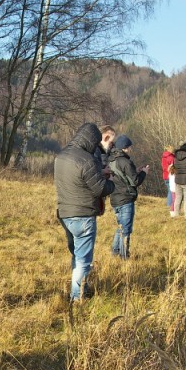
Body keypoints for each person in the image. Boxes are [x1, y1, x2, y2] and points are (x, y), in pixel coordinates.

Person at [55, 123, 114, 301]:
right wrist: (111, 182)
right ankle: (77, 297)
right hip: (83, 215)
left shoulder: (62, 155)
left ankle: (82, 287)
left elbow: (76, 179)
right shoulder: (86, 159)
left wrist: (98, 171)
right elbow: (100, 189)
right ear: (91, 140)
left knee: (77, 254)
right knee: (83, 260)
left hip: (65, 213)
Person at [107, 135, 148, 259]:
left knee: (120, 226)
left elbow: (122, 176)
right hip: (125, 199)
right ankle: (124, 255)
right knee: (126, 229)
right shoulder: (125, 161)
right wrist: (144, 173)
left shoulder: (112, 159)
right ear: (125, 148)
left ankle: (115, 251)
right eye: (130, 147)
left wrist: (136, 170)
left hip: (115, 198)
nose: (131, 149)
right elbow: (134, 181)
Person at [161, 145, 176, 217]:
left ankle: (169, 204)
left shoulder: (164, 157)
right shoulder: (171, 157)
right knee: (171, 191)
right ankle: (170, 205)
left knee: (169, 190)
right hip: (170, 175)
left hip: (165, 175)